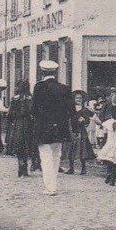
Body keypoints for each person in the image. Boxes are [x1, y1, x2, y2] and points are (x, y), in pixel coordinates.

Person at [31, 60, 73, 196]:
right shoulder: (64, 88)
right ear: (55, 72)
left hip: (44, 128)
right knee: (56, 157)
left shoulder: (39, 87)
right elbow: (70, 109)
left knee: (46, 158)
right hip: (60, 128)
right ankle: (53, 185)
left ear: (42, 72)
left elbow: (34, 109)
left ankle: (50, 187)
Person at [8, 80, 37, 177]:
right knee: (27, 145)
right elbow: (33, 112)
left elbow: (10, 115)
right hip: (29, 124)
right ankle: (26, 166)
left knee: (18, 145)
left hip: (18, 124)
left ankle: (21, 165)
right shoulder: (31, 99)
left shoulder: (14, 99)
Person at [66, 90, 95, 175]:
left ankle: (83, 168)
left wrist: (84, 120)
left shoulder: (85, 110)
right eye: (77, 98)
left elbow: (87, 121)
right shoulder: (71, 109)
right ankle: (71, 168)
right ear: (74, 99)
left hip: (81, 131)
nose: (79, 99)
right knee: (71, 150)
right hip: (72, 131)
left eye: (80, 98)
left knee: (83, 150)